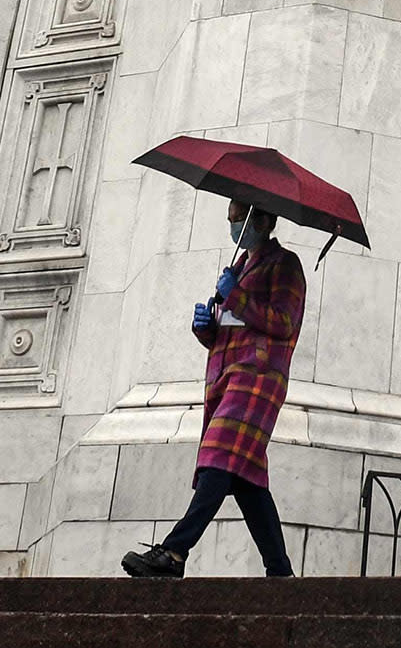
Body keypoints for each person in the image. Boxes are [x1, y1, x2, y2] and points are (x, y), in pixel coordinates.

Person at [122, 200, 306, 578]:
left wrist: (236, 294)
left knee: (217, 460)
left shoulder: (285, 265)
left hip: (257, 379)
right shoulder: (238, 268)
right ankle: (280, 572)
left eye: (240, 219)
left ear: (264, 220)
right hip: (225, 379)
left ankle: (174, 553)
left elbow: (284, 322)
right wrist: (206, 325)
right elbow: (232, 329)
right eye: (231, 219)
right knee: (244, 478)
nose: (234, 226)